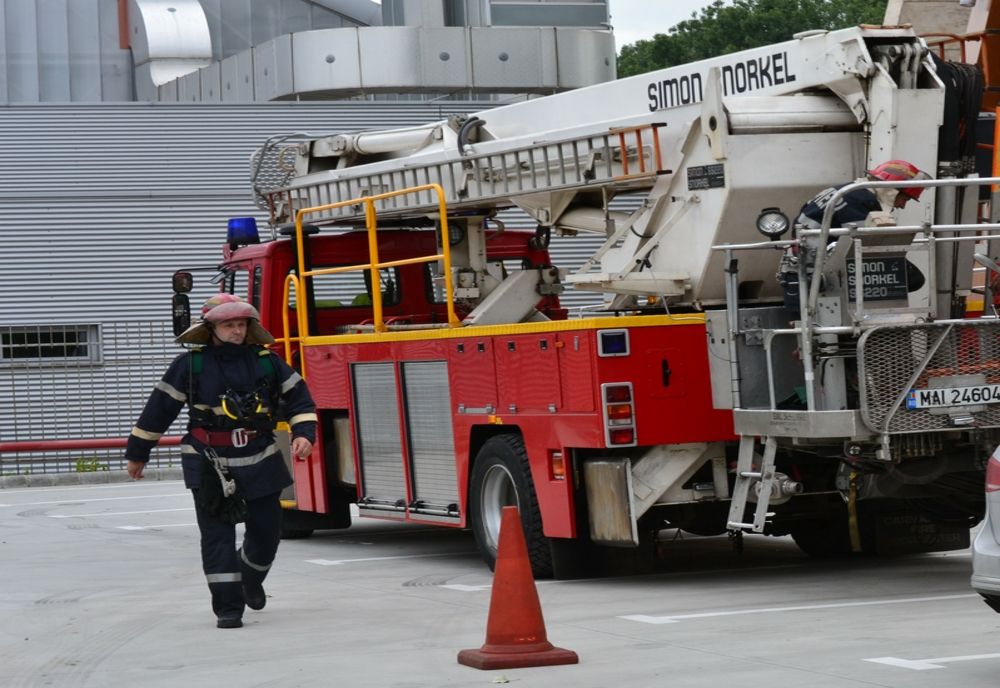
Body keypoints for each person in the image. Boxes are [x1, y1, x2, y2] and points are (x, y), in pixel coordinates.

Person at [125, 293, 317, 629]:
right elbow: (159, 409)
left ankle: (250, 580)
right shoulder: (191, 365)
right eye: (229, 325)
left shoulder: (267, 362)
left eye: (241, 324)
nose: (236, 331)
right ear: (211, 328)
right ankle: (228, 608)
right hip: (209, 463)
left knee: (267, 532)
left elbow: (299, 399)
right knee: (217, 537)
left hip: (261, 458)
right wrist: (138, 453)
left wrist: (305, 434)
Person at [795, 159, 932, 231]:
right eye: (905, 199)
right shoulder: (859, 200)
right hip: (815, 268)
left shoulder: (851, 190)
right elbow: (863, 245)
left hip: (805, 261)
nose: (902, 206)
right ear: (890, 191)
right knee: (912, 278)